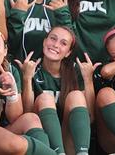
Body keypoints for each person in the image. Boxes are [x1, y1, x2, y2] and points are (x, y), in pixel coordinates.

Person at [18, 26, 96, 155]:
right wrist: (26, 79)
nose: (55, 45)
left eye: (63, 43)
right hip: (44, 143)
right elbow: (27, 115)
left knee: (76, 95)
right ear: (44, 42)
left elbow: (91, 118)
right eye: (53, 39)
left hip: (69, 140)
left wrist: (88, 80)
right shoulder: (31, 69)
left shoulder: (75, 71)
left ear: (68, 52)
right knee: (45, 98)